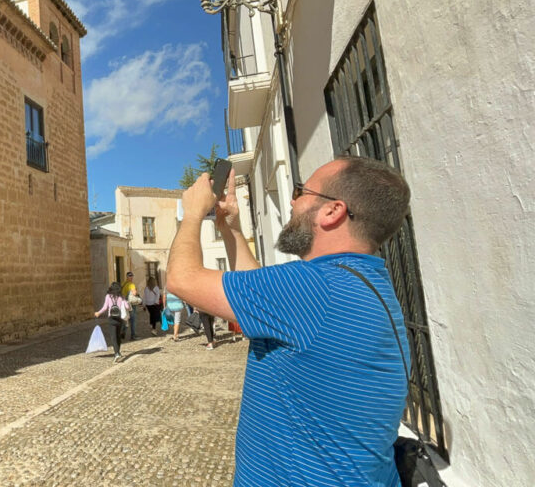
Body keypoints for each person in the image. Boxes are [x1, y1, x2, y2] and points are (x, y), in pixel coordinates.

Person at [166, 157, 412, 486]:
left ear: (332, 211)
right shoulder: (362, 281)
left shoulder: (315, 286)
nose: (293, 200)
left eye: (302, 191)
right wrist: (231, 229)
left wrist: (192, 212)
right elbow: (262, 301)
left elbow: (182, 279)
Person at [94, 282, 131, 362]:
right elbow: (127, 307)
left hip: (111, 319)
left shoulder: (108, 296)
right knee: (118, 336)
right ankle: (118, 352)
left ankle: (117, 353)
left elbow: (105, 307)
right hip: (120, 319)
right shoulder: (121, 297)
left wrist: (98, 313)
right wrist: (127, 302)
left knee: (113, 337)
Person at [121, 271, 138, 339]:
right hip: (131, 304)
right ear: (127, 277)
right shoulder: (132, 284)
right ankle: (133, 335)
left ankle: (123, 331)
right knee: (133, 320)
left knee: (126, 318)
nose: (131, 277)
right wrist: (136, 292)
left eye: (131, 276)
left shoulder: (123, 283)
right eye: (130, 276)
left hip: (124, 303)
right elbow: (134, 294)